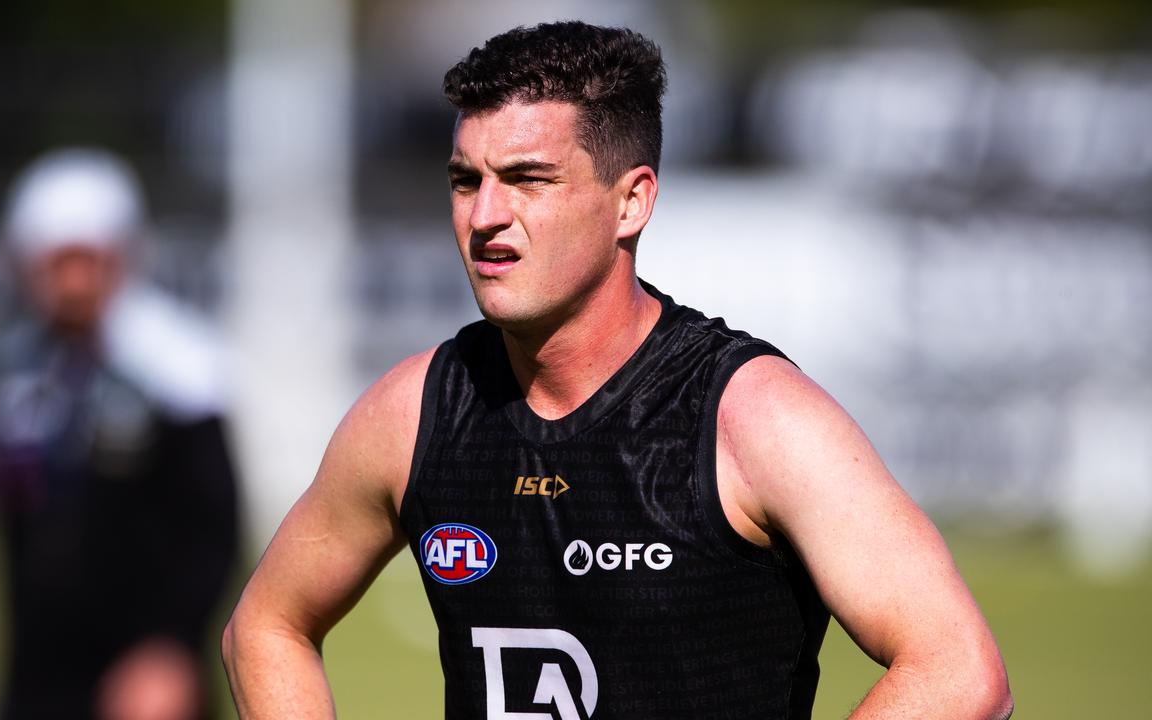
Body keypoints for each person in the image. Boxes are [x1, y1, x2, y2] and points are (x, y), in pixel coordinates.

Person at [221, 22, 1012, 720]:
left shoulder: (752, 417)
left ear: (631, 202)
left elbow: (960, 671)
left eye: (529, 179)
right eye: (467, 181)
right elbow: (266, 626)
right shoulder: (413, 414)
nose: (486, 216)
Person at [0, 148, 240, 720]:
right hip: (38, 674)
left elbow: (214, 529)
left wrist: (170, 648)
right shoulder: (16, 368)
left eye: (87, 259)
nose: (73, 283)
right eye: (56, 262)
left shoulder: (179, 367)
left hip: (145, 681)